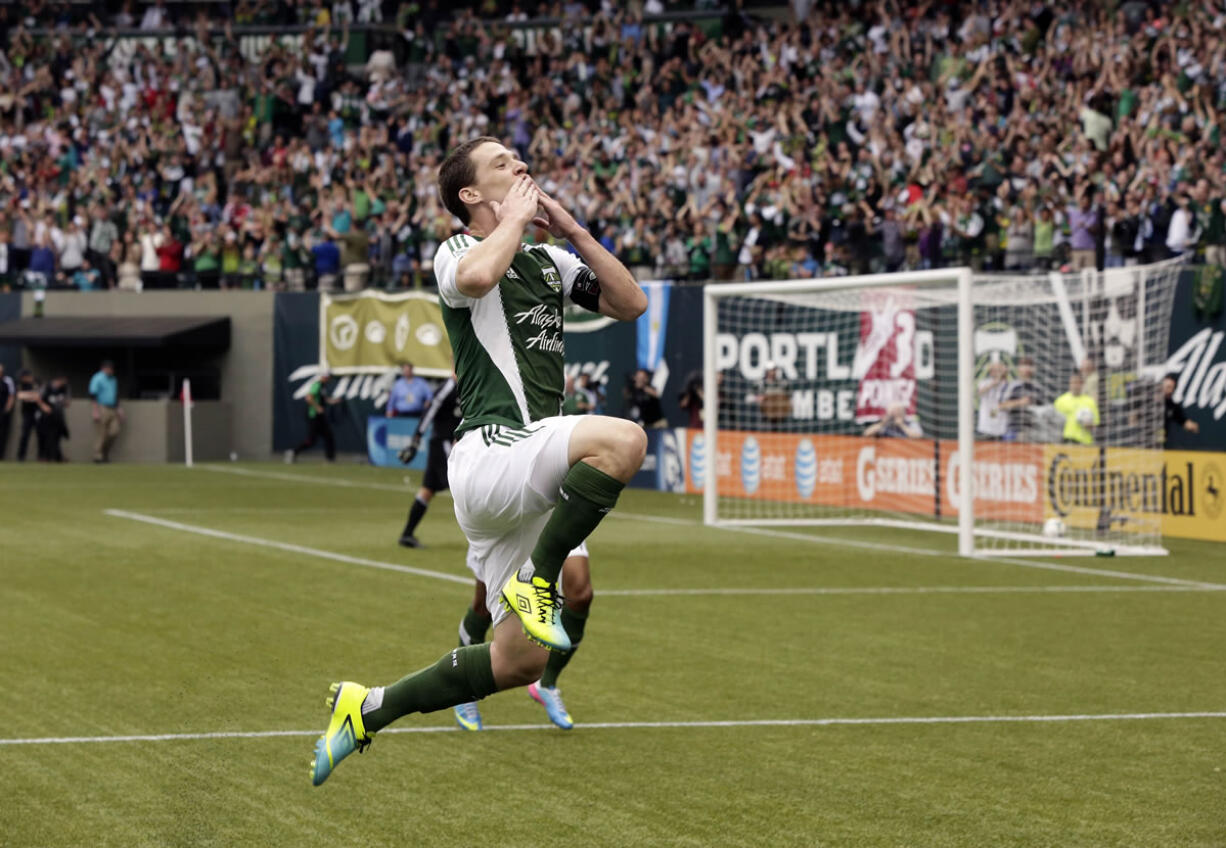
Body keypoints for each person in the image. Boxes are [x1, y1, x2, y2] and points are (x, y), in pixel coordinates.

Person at [309, 136, 646, 786]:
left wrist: (571, 227)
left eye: (519, 159)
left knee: (517, 661)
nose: (519, 165)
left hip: (526, 474)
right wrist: (516, 219)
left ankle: (368, 708)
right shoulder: (457, 250)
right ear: (470, 195)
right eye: (502, 163)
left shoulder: (549, 259)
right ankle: (535, 579)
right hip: (494, 451)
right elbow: (475, 280)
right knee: (624, 441)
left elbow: (630, 303)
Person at [451, 542, 593, 732]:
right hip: (509, 521)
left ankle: (546, 682)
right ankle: (464, 688)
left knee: (581, 595)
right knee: (484, 605)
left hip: (558, 518)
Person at [396, 374, 461, 548]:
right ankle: (485, 538)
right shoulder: (449, 387)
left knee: (427, 490)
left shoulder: (468, 385)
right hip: (443, 444)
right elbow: (429, 412)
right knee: (463, 485)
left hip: (444, 443)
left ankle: (407, 534)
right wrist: (415, 442)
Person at [286, 371, 341, 462]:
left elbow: (323, 399)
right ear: (323, 377)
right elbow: (309, 398)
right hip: (314, 416)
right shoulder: (317, 385)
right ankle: (293, 452)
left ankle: (330, 458)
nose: (328, 379)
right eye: (327, 377)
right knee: (311, 440)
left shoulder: (323, 387)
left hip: (320, 416)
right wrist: (317, 407)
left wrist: (333, 401)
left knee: (328, 436)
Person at [999, 356, 1042, 442]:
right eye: (1024, 365)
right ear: (1018, 368)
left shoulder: (1038, 388)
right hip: (1014, 430)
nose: (1027, 368)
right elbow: (1000, 406)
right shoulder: (1012, 386)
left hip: (1033, 432)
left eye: (1030, 365)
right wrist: (1019, 402)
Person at [88, 360, 123, 463]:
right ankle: (98, 456)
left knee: (114, 431)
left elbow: (115, 395)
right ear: (104, 368)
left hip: (113, 408)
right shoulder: (97, 378)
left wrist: (119, 408)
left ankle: (105, 452)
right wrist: (95, 410)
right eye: (110, 368)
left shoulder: (113, 379)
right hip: (101, 407)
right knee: (101, 433)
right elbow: (93, 394)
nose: (111, 371)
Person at [1053, 372, 1098, 445]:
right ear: (1069, 384)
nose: (1075, 386)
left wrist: (1089, 425)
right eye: (1073, 383)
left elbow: (1095, 424)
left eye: (1078, 383)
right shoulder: (1060, 401)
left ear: (1082, 384)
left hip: (1085, 442)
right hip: (1065, 440)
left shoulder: (1090, 402)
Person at [37, 375, 71, 462]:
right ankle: (46, 457)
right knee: (47, 437)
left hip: (58, 416)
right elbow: (39, 398)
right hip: (46, 417)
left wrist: (64, 400)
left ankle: (57, 457)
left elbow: (67, 403)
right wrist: (44, 407)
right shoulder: (47, 387)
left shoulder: (63, 389)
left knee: (57, 437)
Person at [976, 360, 1011, 440]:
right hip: (985, 427)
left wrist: (1003, 377)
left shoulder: (1007, 385)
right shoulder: (984, 383)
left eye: (998, 370)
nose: (995, 373)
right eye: (993, 370)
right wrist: (992, 384)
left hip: (1001, 427)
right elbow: (979, 393)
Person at [1162, 374, 1200, 446]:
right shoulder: (1149, 401)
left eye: (1169, 387)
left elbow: (1184, 421)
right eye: (1164, 386)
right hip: (1143, 442)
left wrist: (1193, 426)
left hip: (1160, 444)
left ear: (1174, 389)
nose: (1166, 389)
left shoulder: (1172, 406)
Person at [15, 370, 40, 461]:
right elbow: (20, 396)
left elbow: (39, 395)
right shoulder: (22, 384)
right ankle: (21, 456)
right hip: (27, 413)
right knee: (25, 435)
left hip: (38, 412)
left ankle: (42, 456)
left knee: (41, 434)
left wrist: (30, 396)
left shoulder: (37, 382)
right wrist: (32, 396)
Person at [0, 364, 13, 459]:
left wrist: (7, 408)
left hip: (3, 411)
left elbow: (11, 395)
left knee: (2, 433)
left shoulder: (7, 381)